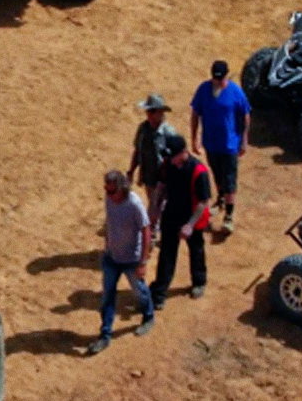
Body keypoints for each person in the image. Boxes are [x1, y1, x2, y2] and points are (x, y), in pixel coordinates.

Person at [89, 171, 154, 356]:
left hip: (132, 259)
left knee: (139, 290)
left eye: (112, 191)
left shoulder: (134, 203)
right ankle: (105, 334)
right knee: (107, 296)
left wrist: (143, 261)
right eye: (106, 190)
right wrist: (106, 247)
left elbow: (145, 231)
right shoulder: (109, 200)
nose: (109, 195)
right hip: (112, 257)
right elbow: (109, 223)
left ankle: (148, 316)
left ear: (122, 188)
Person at [188, 59, 250, 233]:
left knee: (229, 179)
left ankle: (229, 215)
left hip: (230, 145)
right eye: (215, 78)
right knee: (217, 175)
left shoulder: (235, 92)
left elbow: (245, 116)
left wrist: (244, 140)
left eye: (221, 78)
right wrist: (195, 138)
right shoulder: (203, 90)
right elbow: (195, 114)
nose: (218, 81)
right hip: (211, 143)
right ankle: (221, 199)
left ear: (226, 75)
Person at [150, 135, 212, 308]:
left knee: (196, 250)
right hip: (172, 213)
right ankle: (159, 293)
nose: (171, 160)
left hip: (192, 215)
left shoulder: (199, 171)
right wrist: (154, 207)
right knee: (167, 254)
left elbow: (203, 201)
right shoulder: (168, 164)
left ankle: (199, 281)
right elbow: (161, 186)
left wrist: (190, 225)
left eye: (174, 156)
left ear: (184, 152)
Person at [126, 93, 179, 231]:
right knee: (154, 204)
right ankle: (158, 229)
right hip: (148, 175)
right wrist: (131, 171)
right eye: (148, 111)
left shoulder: (169, 133)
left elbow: (178, 157)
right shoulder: (143, 129)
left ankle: (155, 232)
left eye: (151, 111)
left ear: (160, 112)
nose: (148, 114)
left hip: (164, 178)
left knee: (158, 206)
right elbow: (138, 151)